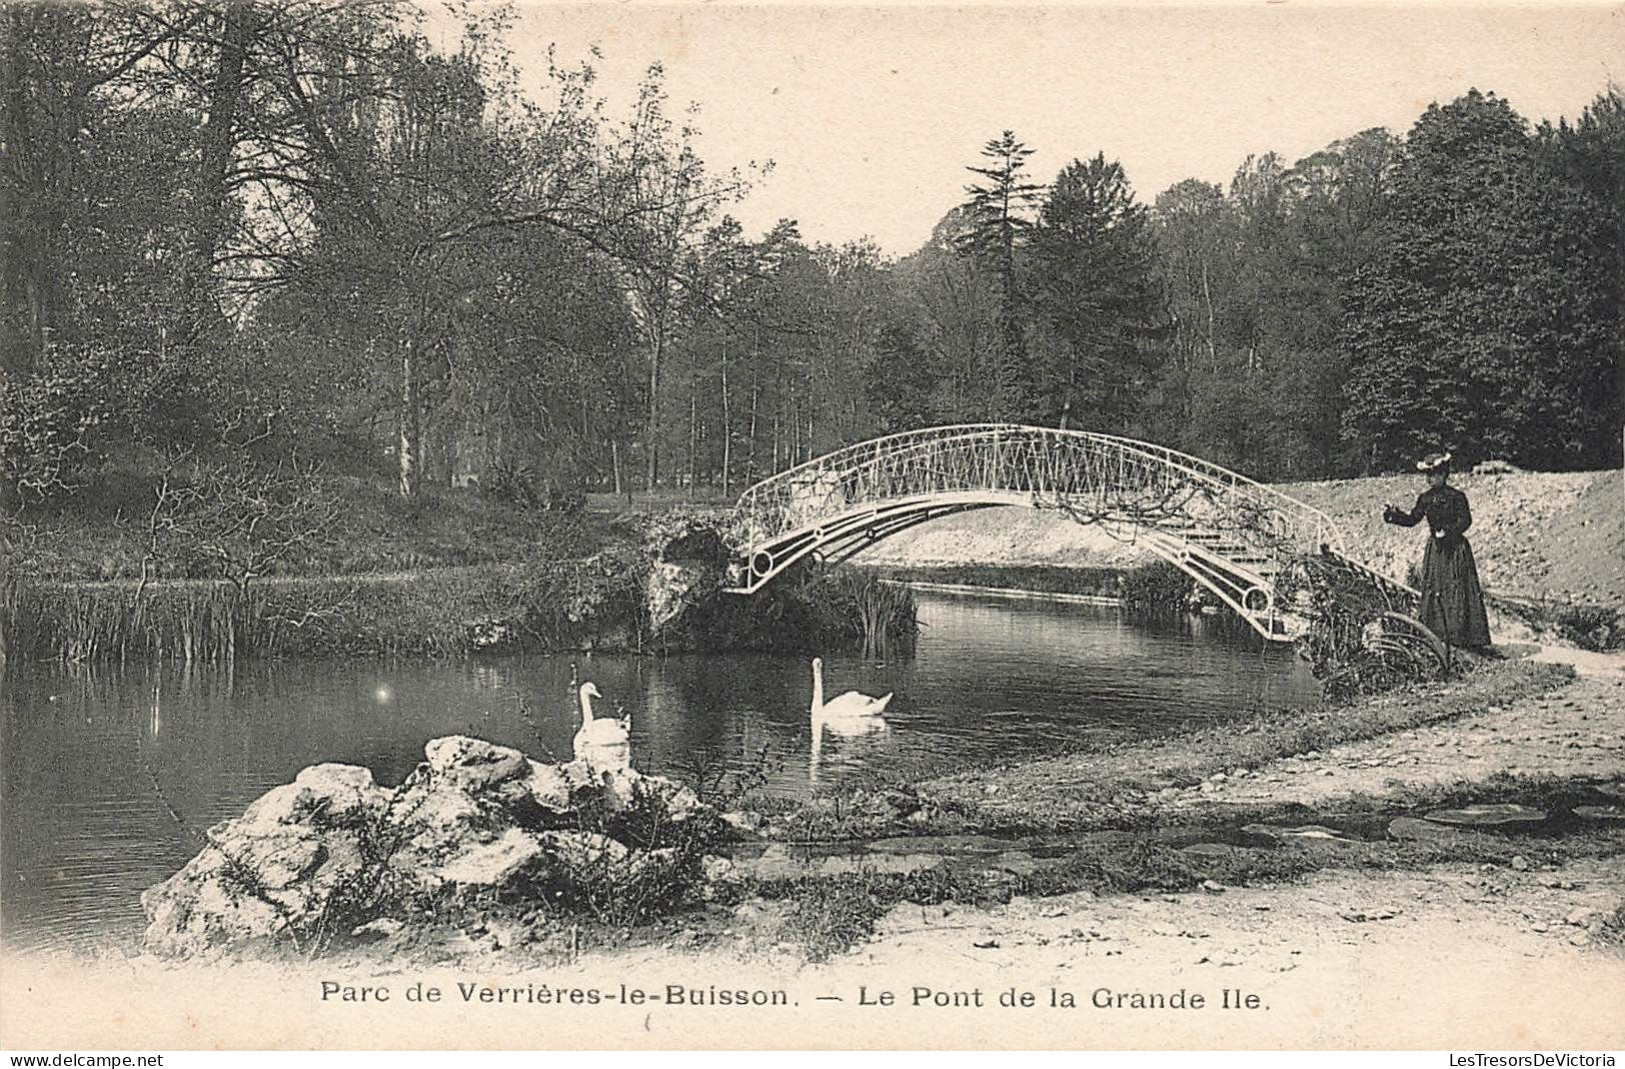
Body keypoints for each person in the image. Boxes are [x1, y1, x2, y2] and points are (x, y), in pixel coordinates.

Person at [1382, 452, 1492, 650]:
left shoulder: (1457, 497)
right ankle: (1438, 634)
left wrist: (1448, 532)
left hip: (1456, 550)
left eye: (1433, 474)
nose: (1429, 479)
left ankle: (1462, 636)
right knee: (1436, 590)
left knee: (1458, 589)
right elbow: (1412, 519)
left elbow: (1466, 520)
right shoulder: (1425, 498)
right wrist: (1394, 515)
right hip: (1437, 551)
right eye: (1428, 475)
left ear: (1444, 474)